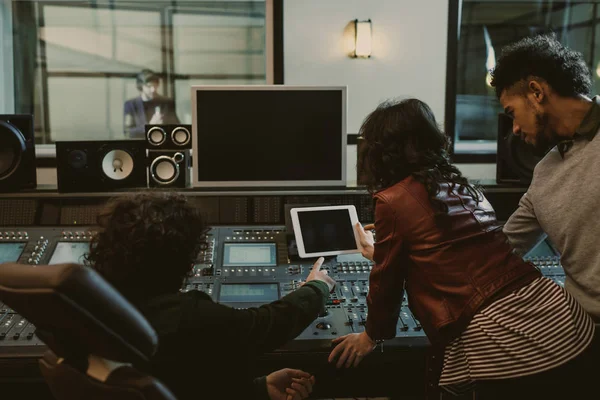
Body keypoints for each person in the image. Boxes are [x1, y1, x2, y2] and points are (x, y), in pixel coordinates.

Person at [327, 98, 595, 398]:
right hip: (563, 317)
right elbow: (453, 255)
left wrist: (371, 337)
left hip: (501, 337)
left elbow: (387, 282)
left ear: (382, 151)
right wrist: (381, 253)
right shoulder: (466, 188)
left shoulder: (391, 200)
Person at [85, 192, 336, 400]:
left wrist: (257, 389)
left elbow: (179, 383)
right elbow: (266, 324)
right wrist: (317, 287)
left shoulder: (87, 303)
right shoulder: (188, 317)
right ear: (180, 257)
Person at [490, 34, 600, 323]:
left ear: (536, 92)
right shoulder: (545, 171)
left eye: (512, 113)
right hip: (582, 332)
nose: (513, 129)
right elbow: (499, 251)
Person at [124, 69, 180, 138]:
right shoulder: (131, 105)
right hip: (141, 145)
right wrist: (149, 126)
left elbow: (176, 127)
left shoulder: (167, 103)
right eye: (149, 86)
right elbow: (128, 132)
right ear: (141, 86)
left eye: (155, 85)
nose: (153, 89)